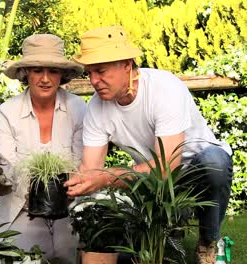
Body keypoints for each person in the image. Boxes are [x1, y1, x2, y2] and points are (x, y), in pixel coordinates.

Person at [64, 26, 233, 264]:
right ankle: (166, 229)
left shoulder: (164, 88)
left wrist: (106, 177)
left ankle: (208, 241)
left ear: (126, 64)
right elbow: (92, 169)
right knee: (137, 253)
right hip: (150, 180)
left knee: (215, 161)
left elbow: (167, 168)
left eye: (100, 71)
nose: (93, 81)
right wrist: (72, 182)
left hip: (191, 171)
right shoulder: (96, 107)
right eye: (89, 73)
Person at [0, 34, 86, 263]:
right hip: (20, 207)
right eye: (37, 70)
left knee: (68, 253)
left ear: (62, 75)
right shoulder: (8, 113)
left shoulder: (78, 109)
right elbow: (1, 169)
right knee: (26, 256)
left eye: (52, 71)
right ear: (25, 73)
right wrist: (0, 180)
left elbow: (82, 166)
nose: (45, 79)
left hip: (68, 205)